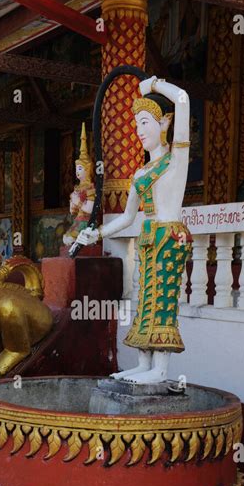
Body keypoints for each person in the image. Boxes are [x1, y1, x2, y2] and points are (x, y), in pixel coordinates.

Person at [72, 75, 192, 384]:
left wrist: (154, 85)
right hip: (148, 239)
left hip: (169, 237)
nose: (139, 132)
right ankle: (143, 363)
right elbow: (127, 218)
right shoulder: (141, 173)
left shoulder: (176, 160)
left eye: (145, 123)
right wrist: (98, 234)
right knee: (145, 298)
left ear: (163, 125)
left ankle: (161, 369)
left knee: (164, 298)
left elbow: (182, 99)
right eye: (136, 125)